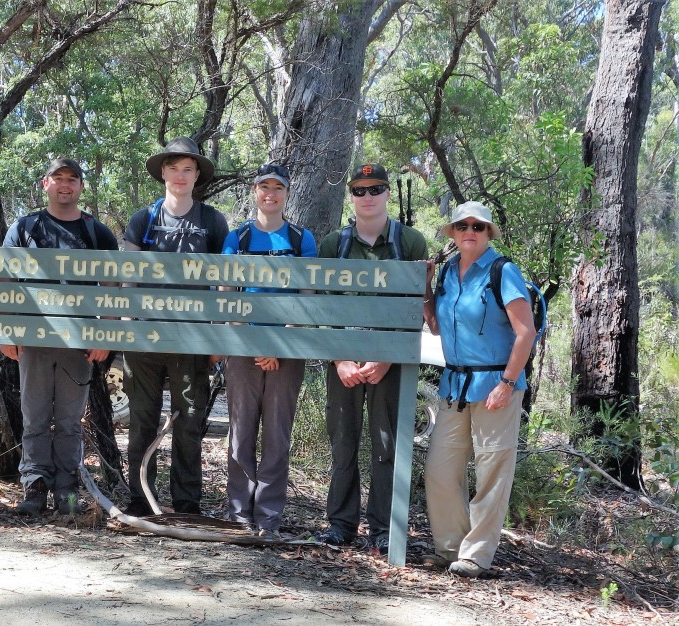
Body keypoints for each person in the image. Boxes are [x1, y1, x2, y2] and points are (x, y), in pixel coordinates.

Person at [316, 163, 428, 553]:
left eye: (375, 189)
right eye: (360, 190)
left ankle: (384, 528)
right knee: (343, 443)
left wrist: (386, 358)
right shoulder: (334, 244)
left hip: (390, 362)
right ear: (351, 196)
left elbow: (415, 308)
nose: (368, 197)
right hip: (344, 358)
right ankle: (340, 525)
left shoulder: (410, 242)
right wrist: (340, 359)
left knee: (387, 445)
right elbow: (323, 310)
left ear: (387, 193)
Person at [421, 201, 536, 578]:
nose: (470, 231)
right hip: (455, 384)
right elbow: (438, 327)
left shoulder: (503, 271)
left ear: (488, 233)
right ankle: (451, 547)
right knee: (439, 470)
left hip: (495, 385)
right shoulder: (449, 273)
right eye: (463, 225)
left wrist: (506, 383)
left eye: (479, 226)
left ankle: (476, 555)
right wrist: (425, 287)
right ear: (453, 232)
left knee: (491, 473)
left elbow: (525, 332)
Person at [1, 158, 119, 516]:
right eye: (58, 178)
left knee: (69, 421)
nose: (65, 185)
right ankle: (34, 486)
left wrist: (105, 336)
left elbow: (112, 288)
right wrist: (8, 333)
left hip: (79, 344)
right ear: (45, 184)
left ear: (80, 187)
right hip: (33, 341)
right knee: (34, 416)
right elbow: (4, 280)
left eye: (72, 179)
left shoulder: (96, 232)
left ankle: (67, 489)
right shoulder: (25, 227)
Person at [122, 137, 229, 516]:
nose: (180, 176)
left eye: (188, 169)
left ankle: (186, 503)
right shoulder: (144, 219)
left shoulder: (212, 221)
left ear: (197, 175)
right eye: (173, 168)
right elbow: (128, 277)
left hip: (193, 339)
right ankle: (140, 499)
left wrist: (217, 337)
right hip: (145, 341)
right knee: (142, 421)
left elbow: (223, 282)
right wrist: (126, 328)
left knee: (189, 423)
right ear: (162, 173)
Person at [221, 163, 316, 540]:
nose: (270, 194)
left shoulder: (300, 238)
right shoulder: (238, 238)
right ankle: (240, 514)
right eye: (264, 187)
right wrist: (254, 343)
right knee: (241, 432)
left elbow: (307, 296)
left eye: (278, 188)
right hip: (243, 348)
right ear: (255, 192)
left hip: (288, 350)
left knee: (277, 434)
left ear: (287, 193)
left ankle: (269, 516)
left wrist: (279, 343)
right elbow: (226, 296)